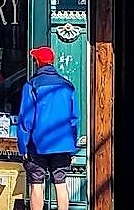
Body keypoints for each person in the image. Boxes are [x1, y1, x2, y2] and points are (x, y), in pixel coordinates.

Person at [14, 45, 83, 210]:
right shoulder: (68, 86)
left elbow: (26, 120)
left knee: (36, 183)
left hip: (38, 145)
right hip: (62, 144)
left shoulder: (31, 86)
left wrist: (23, 146)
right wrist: (72, 144)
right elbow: (74, 119)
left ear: (38, 63)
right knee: (60, 182)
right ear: (52, 62)